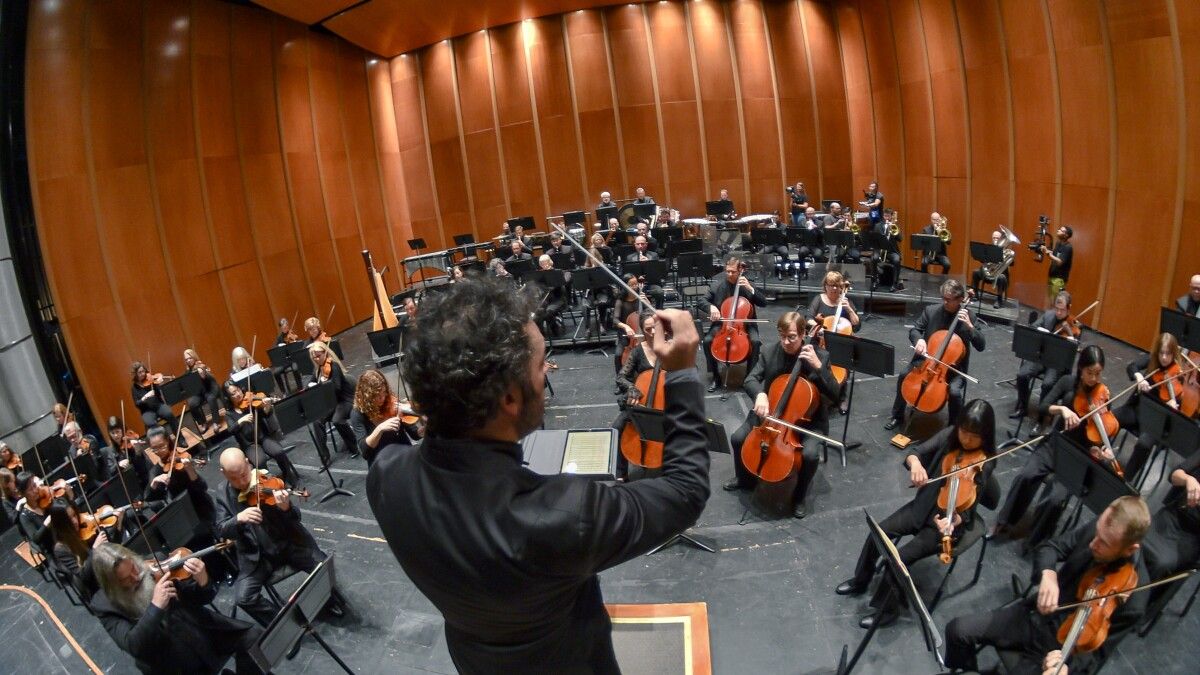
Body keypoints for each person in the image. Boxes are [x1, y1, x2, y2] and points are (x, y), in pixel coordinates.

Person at [367, 277, 709, 673]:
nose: (546, 370)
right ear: (509, 398)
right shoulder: (563, 515)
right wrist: (682, 373)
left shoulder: (386, 478)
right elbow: (685, 491)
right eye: (541, 362)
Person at [944, 495, 1150, 675]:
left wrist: (1068, 668)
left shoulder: (1134, 601)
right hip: (1034, 615)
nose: (1093, 543)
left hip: (1060, 650)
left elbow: (1097, 656)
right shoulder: (1102, 529)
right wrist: (1048, 574)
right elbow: (1051, 548)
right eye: (1097, 533)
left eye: (1104, 543)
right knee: (957, 630)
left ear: (1130, 549)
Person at [837, 400, 997, 627]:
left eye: (974, 435)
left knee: (898, 560)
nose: (967, 439)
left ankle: (887, 611)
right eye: (964, 431)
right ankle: (861, 579)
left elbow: (969, 508)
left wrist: (953, 521)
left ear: (986, 435)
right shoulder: (950, 434)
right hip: (923, 506)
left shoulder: (986, 462)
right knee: (878, 532)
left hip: (945, 523)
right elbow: (915, 452)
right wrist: (916, 465)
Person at [993, 346, 1132, 539]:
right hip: (1056, 444)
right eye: (1089, 373)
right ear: (1080, 368)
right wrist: (1062, 410)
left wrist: (1101, 452)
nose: (1093, 379)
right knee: (1026, 475)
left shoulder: (1104, 396)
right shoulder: (1067, 382)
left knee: (1056, 499)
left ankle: (1037, 538)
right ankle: (1004, 522)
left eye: (1098, 374)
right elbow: (1042, 406)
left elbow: (1104, 431)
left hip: (1079, 456)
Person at [726, 312, 839, 519]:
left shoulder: (820, 356)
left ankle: (799, 496)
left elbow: (835, 393)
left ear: (804, 334)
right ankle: (745, 479)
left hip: (807, 420)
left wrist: (818, 367)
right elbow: (751, 379)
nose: (785, 342)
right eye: (782, 335)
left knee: (810, 455)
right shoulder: (769, 352)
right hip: (771, 412)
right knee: (737, 438)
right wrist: (760, 394)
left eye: (792, 337)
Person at [90, 541, 262, 674]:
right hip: (169, 658)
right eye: (125, 579)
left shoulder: (153, 562)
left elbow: (200, 598)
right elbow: (134, 645)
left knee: (254, 640)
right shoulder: (103, 605)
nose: (136, 577)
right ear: (112, 585)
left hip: (200, 630)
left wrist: (203, 581)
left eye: (134, 568)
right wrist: (155, 606)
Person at [215, 447, 339, 627]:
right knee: (244, 598)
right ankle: (286, 625)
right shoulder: (222, 493)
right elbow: (220, 529)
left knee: (322, 566)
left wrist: (286, 508)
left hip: (288, 544)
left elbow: (296, 518)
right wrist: (238, 519)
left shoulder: (268, 482)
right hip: (257, 557)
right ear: (223, 474)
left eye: (244, 474)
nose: (242, 482)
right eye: (234, 478)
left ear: (248, 464)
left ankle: (331, 600)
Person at [886, 279, 985, 430]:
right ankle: (897, 416)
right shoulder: (931, 311)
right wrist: (919, 340)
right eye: (943, 298)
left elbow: (981, 346)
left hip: (952, 368)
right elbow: (915, 330)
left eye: (949, 300)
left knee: (954, 391)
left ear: (960, 300)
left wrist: (970, 328)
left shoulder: (969, 317)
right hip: (926, 361)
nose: (945, 302)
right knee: (903, 375)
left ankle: (953, 428)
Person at [1140, 450, 1200, 619]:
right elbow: (1175, 474)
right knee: (1134, 535)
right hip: (1171, 516)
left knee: (1160, 562)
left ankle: (1134, 606)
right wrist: (1189, 479)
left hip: (1192, 537)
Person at [699, 257, 769, 393]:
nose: (730, 274)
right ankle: (716, 377)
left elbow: (763, 302)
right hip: (723, 325)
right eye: (727, 271)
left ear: (740, 271)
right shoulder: (717, 285)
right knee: (707, 341)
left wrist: (750, 288)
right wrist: (711, 308)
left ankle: (749, 378)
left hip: (745, 325)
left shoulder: (747, 284)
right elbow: (702, 300)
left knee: (755, 342)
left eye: (733, 272)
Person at [1011, 291, 1077, 421]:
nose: (1058, 313)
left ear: (1068, 308)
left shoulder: (1073, 323)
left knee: (1047, 384)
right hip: (1040, 357)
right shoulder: (1048, 315)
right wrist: (1040, 331)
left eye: (1062, 310)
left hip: (1056, 363)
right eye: (1056, 309)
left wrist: (1068, 331)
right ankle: (1023, 407)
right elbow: (1033, 327)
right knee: (1022, 375)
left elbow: (1075, 346)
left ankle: (1042, 418)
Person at [222, 381, 301, 488]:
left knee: (279, 451)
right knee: (260, 462)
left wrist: (267, 405)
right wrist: (241, 421)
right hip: (249, 445)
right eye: (233, 393)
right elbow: (231, 430)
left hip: (263, 438)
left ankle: (288, 477)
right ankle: (269, 485)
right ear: (228, 398)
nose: (238, 394)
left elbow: (265, 414)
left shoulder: (251, 402)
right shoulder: (229, 414)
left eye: (238, 390)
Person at [807, 271, 860, 414]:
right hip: (821, 340)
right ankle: (817, 393)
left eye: (837, 285)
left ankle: (842, 397)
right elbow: (809, 318)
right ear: (825, 286)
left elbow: (856, 325)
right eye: (831, 285)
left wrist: (848, 309)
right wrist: (819, 328)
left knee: (845, 365)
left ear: (842, 287)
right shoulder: (819, 299)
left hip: (840, 342)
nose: (834, 289)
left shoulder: (845, 302)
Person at [350, 369, 417, 465]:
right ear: (367, 397)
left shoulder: (391, 402)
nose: (383, 398)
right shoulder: (357, 413)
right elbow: (365, 452)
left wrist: (424, 428)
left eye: (384, 393)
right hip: (382, 463)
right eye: (377, 396)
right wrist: (380, 429)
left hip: (404, 456)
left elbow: (415, 434)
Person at [307, 341, 358, 458]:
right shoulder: (318, 369)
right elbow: (310, 382)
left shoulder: (334, 366)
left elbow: (337, 388)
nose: (316, 359)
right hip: (332, 403)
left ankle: (354, 446)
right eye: (314, 357)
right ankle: (324, 456)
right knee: (317, 421)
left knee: (337, 420)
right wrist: (311, 386)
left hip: (345, 400)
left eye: (318, 356)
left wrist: (323, 386)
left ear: (325, 353)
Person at [48, 500, 102, 600]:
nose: (75, 521)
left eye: (74, 515)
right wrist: (94, 550)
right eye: (69, 519)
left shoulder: (82, 529)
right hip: (94, 584)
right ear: (61, 523)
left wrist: (118, 525)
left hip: (101, 570)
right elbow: (83, 575)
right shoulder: (61, 548)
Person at [130, 362, 180, 433]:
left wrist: (159, 384)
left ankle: (180, 438)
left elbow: (159, 392)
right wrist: (145, 397)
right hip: (147, 411)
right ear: (135, 374)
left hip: (158, 406)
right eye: (139, 372)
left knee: (169, 414)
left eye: (143, 371)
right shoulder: (134, 388)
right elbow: (137, 403)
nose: (143, 374)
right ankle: (166, 441)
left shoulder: (150, 379)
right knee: (150, 423)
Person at [971, 229, 1015, 308]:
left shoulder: (1007, 251)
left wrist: (1004, 257)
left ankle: (999, 300)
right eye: (994, 238)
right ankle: (975, 295)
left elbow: (1012, 263)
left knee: (1001, 278)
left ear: (1001, 239)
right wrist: (982, 258)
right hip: (988, 272)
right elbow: (983, 261)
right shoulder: (989, 249)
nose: (995, 239)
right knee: (975, 272)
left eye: (997, 238)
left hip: (1000, 275)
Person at [183, 349, 220, 432]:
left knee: (211, 399)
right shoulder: (187, 371)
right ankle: (203, 422)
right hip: (199, 392)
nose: (188, 360)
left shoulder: (201, 365)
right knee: (192, 403)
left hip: (209, 388)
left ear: (194, 357)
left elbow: (205, 377)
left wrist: (202, 371)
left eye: (190, 358)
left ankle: (216, 422)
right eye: (186, 359)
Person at [533, 254, 568, 338]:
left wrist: (552, 277)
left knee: (548, 312)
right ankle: (541, 335)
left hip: (558, 300)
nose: (545, 265)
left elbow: (565, 281)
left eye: (546, 262)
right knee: (537, 313)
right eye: (542, 263)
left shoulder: (558, 272)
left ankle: (555, 331)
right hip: (545, 301)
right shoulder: (539, 275)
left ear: (550, 262)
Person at [1040, 225, 1074, 302]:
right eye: (1059, 229)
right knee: (1051, 301)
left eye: (1062, 230)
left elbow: (1059, 262)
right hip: (1052, 276)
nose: (1058, 231)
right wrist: (1046, 250)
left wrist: (1049, 254)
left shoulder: (1068, 247)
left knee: (1056, 302)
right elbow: (1054, 256)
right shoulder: (1058, 243)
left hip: (1059, 279)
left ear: (1066, 235)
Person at [875, 207, 905, 291]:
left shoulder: (895, 226)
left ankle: (895, 283)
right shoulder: (878, 226)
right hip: (880, 250)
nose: (886, 218)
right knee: (874, 258)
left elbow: (900, 239)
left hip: (892, 251)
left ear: (891, 216)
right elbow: (874, 238)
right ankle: (875, 280)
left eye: (888, 216)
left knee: (897, 260)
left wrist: (894, 229)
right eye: (885, 216)